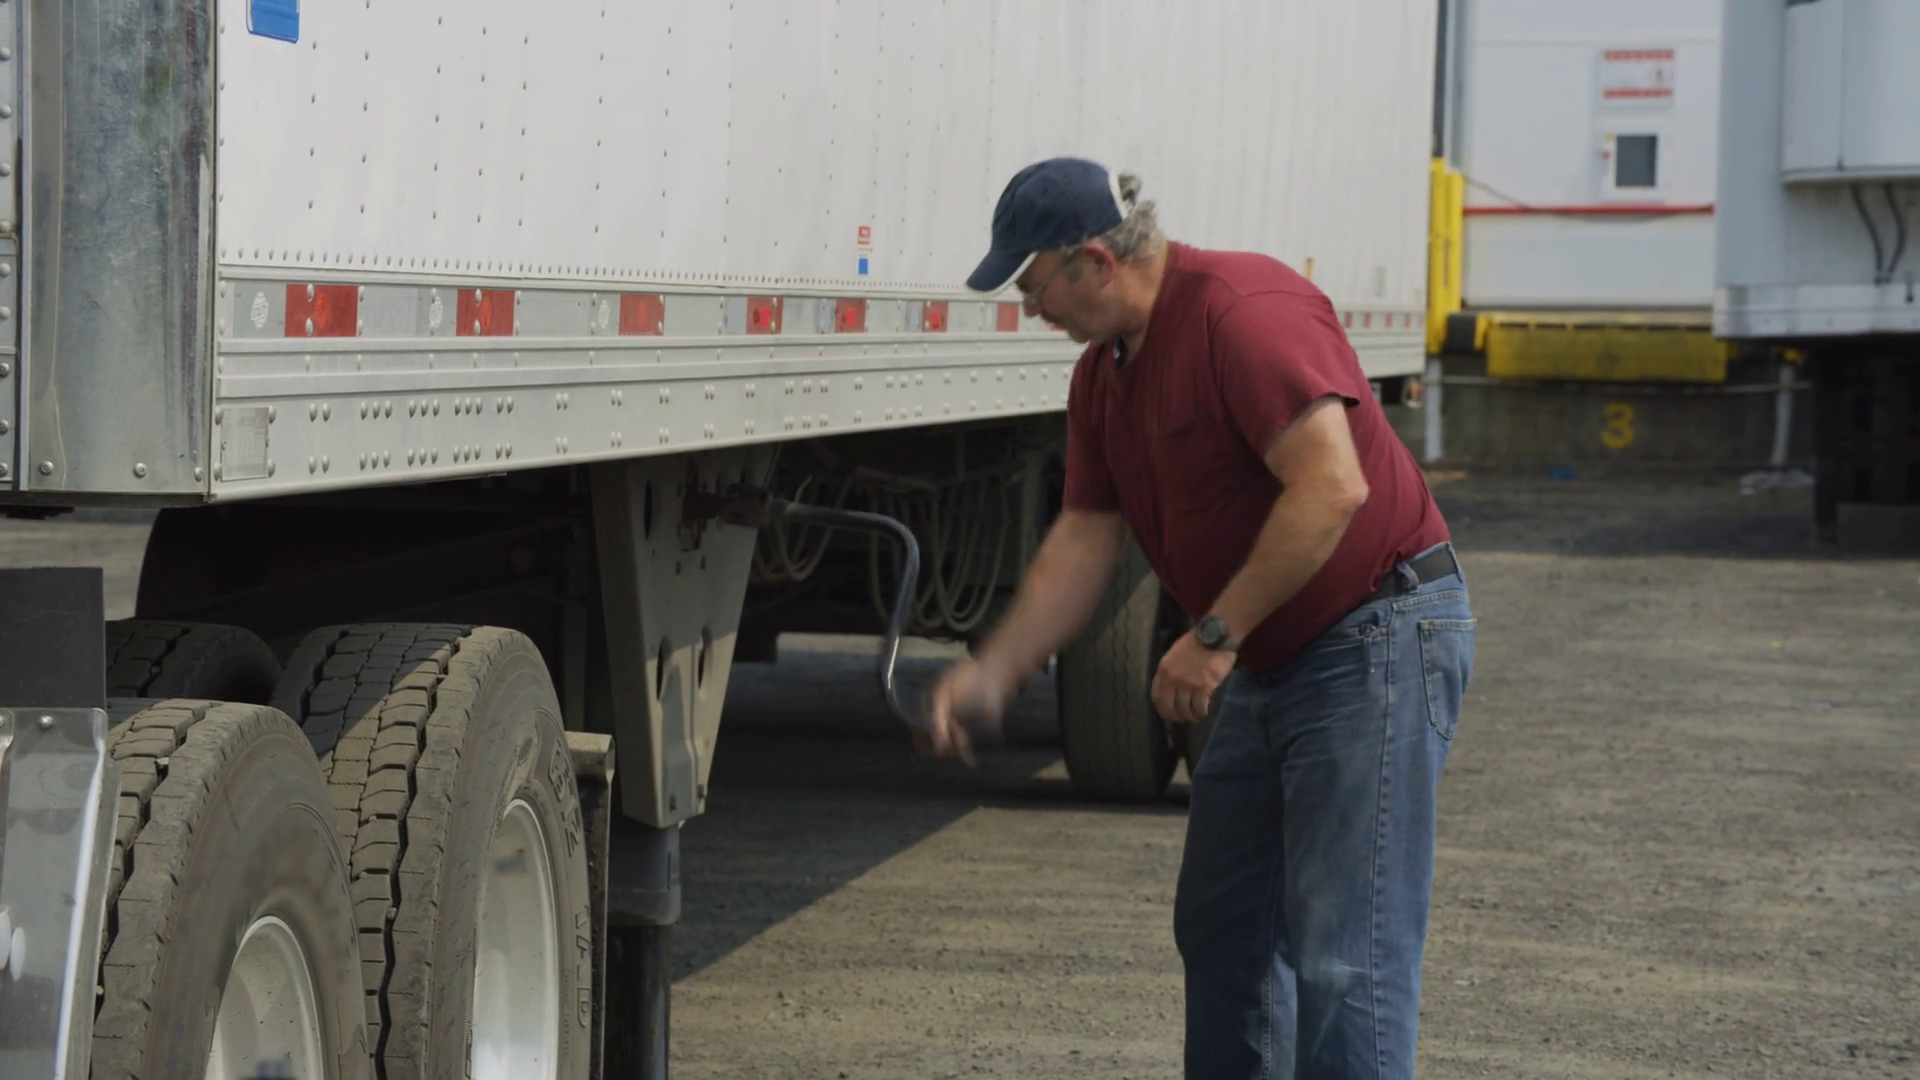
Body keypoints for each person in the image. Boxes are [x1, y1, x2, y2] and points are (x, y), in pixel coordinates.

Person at [927, 157, 1476, 1079]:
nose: (1032, 309)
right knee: (1227, 925)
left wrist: (1215, 635)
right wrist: (994, 670)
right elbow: (1084, 540)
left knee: (1348, 954)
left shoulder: (1240, 312)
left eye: (1034, 286)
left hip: (1376, 634)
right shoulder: (1102, 378)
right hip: (1276, 655)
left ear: (1096, 262)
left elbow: (1331, 487)